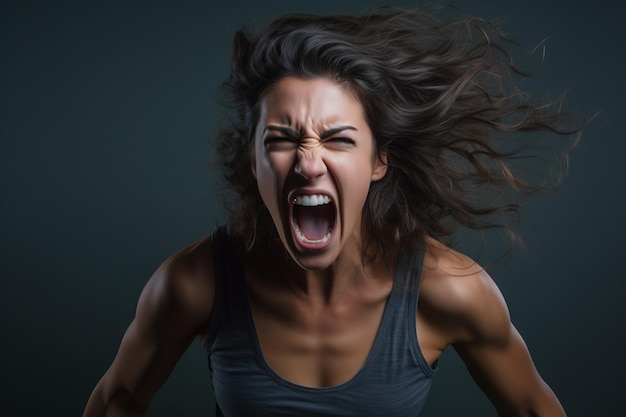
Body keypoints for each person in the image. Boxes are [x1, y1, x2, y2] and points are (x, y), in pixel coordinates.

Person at [84, 6, 582, 417]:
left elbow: (534, 408)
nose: (308, 163)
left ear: (378, 160)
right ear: (252, 162)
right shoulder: (195, 283)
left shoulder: (448, 289)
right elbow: (119, 399)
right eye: (281, 141)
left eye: (338, 140)